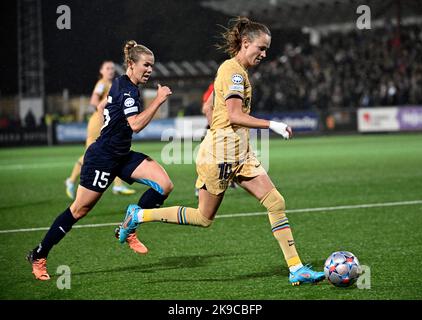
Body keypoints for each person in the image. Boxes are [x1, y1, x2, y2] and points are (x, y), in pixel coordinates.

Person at [118, 17, 325, 286]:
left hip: (240, 154)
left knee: (276, 202)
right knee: (203, 218)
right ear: (245, 43)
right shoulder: (233, 72)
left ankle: (296, 268)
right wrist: (271, 124)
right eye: (260, 48)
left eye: (266, 50)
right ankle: (139, 215)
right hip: (219, 155)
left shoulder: (239, 71)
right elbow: (234, 115)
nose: (263, 54)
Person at [27, 40, 173, 280]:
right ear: (131, 64)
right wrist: (158, 100)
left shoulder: (123, 85)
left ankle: (128, 227)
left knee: (164, 185)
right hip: (102, 157)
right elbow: (135, 125)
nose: (149, 70)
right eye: (146, 65)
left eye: (151, 66)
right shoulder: (126, 88)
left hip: (122, 155)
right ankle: (39, 255)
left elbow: (107, 106)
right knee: (79, 210)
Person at [65, 60, 136, 199]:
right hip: (98, 123)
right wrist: (105, 113)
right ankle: (71, 180)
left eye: (112, 68)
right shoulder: (102, 84)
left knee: (110, 150)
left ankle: (117, 185)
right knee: (91, 154)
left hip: (106, 122)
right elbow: (93, 102)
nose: (110, 70)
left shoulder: (112, 84)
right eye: (107, 68)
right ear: (101, 71)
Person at [194, 82, 237, 197]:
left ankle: (229, 180)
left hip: (223, 128)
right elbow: (205, 108)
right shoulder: (217, 85)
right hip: (215, 128)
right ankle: (200, 187)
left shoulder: (228, 84)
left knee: (227, 156)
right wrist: (215, 128)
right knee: (210, 159)